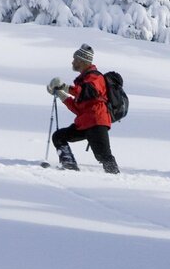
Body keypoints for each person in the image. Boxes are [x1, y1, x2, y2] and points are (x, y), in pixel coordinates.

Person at [46, 44, 120, 174]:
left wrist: (64, 87)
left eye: (75, 59)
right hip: (85, 123)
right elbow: (78, 108)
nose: (72, 62)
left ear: (81, 61)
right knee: (58, 137)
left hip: (97, 122)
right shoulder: (83, 80)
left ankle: (115, 179)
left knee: (104, 156)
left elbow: (87, 91)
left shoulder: (96, 77)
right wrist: (61, 94)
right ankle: (69, 165)